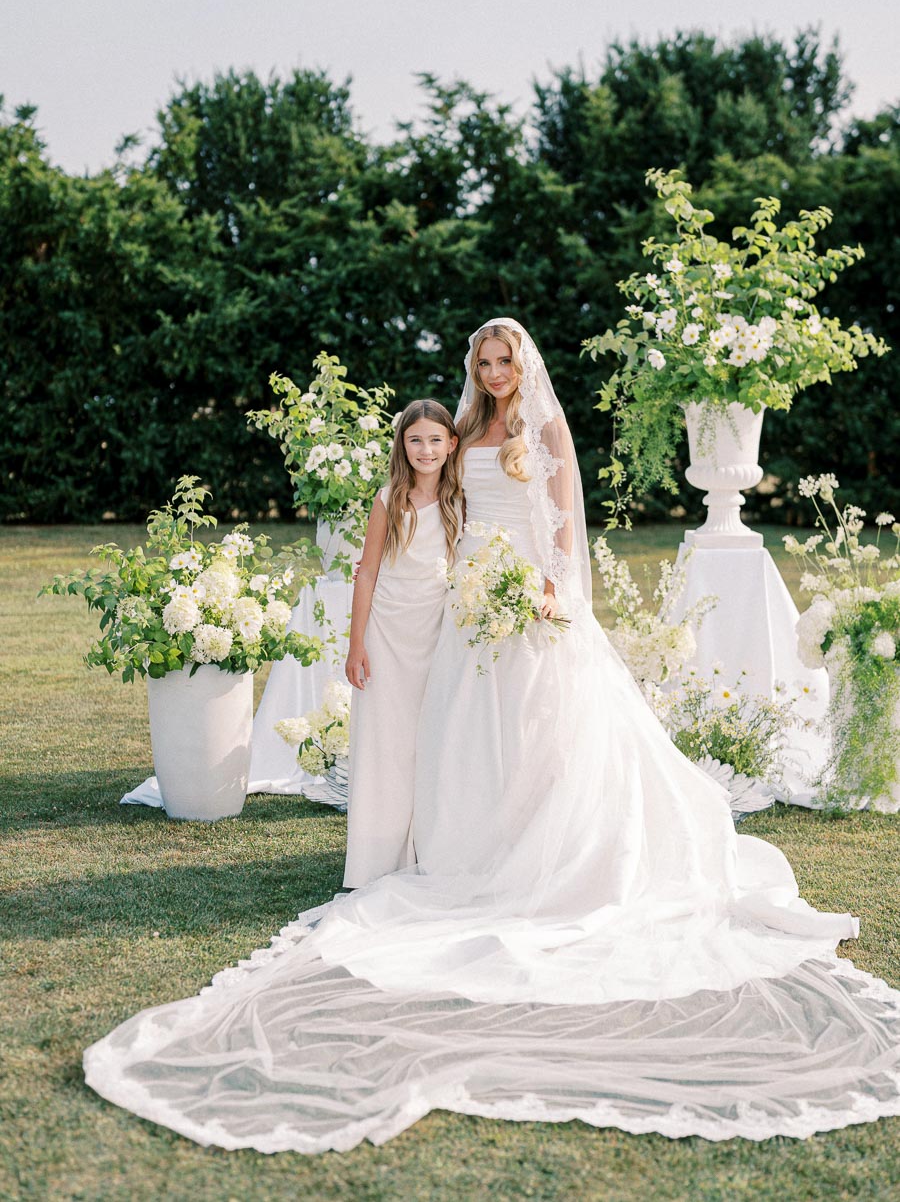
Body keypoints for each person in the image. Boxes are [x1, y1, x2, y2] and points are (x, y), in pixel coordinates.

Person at [82, 319, 900, 1153]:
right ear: (473, 366)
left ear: (524, 364)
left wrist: (553, 592)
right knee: (466, 731)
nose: (495, 368)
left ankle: (543, 852)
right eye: (484, 358)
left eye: (505, 358)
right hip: (468, 606)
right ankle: (468, 850)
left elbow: (562, 518)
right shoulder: (464, 428)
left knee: (541, 727)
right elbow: (444, 511)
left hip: (530, 598)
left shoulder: (544, 424)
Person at [342, 399, 461, 888]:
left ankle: (431, 847)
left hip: (438, 633)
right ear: (402, 445)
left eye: (436, 439)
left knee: (434, 741)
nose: (426, 449)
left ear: (452, 444)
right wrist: (356, 645)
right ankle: (376, 856)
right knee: (385, 743)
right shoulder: (389, 498)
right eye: (416, 440)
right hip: (388, 633)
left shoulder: (462, 500)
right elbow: (367, 573)